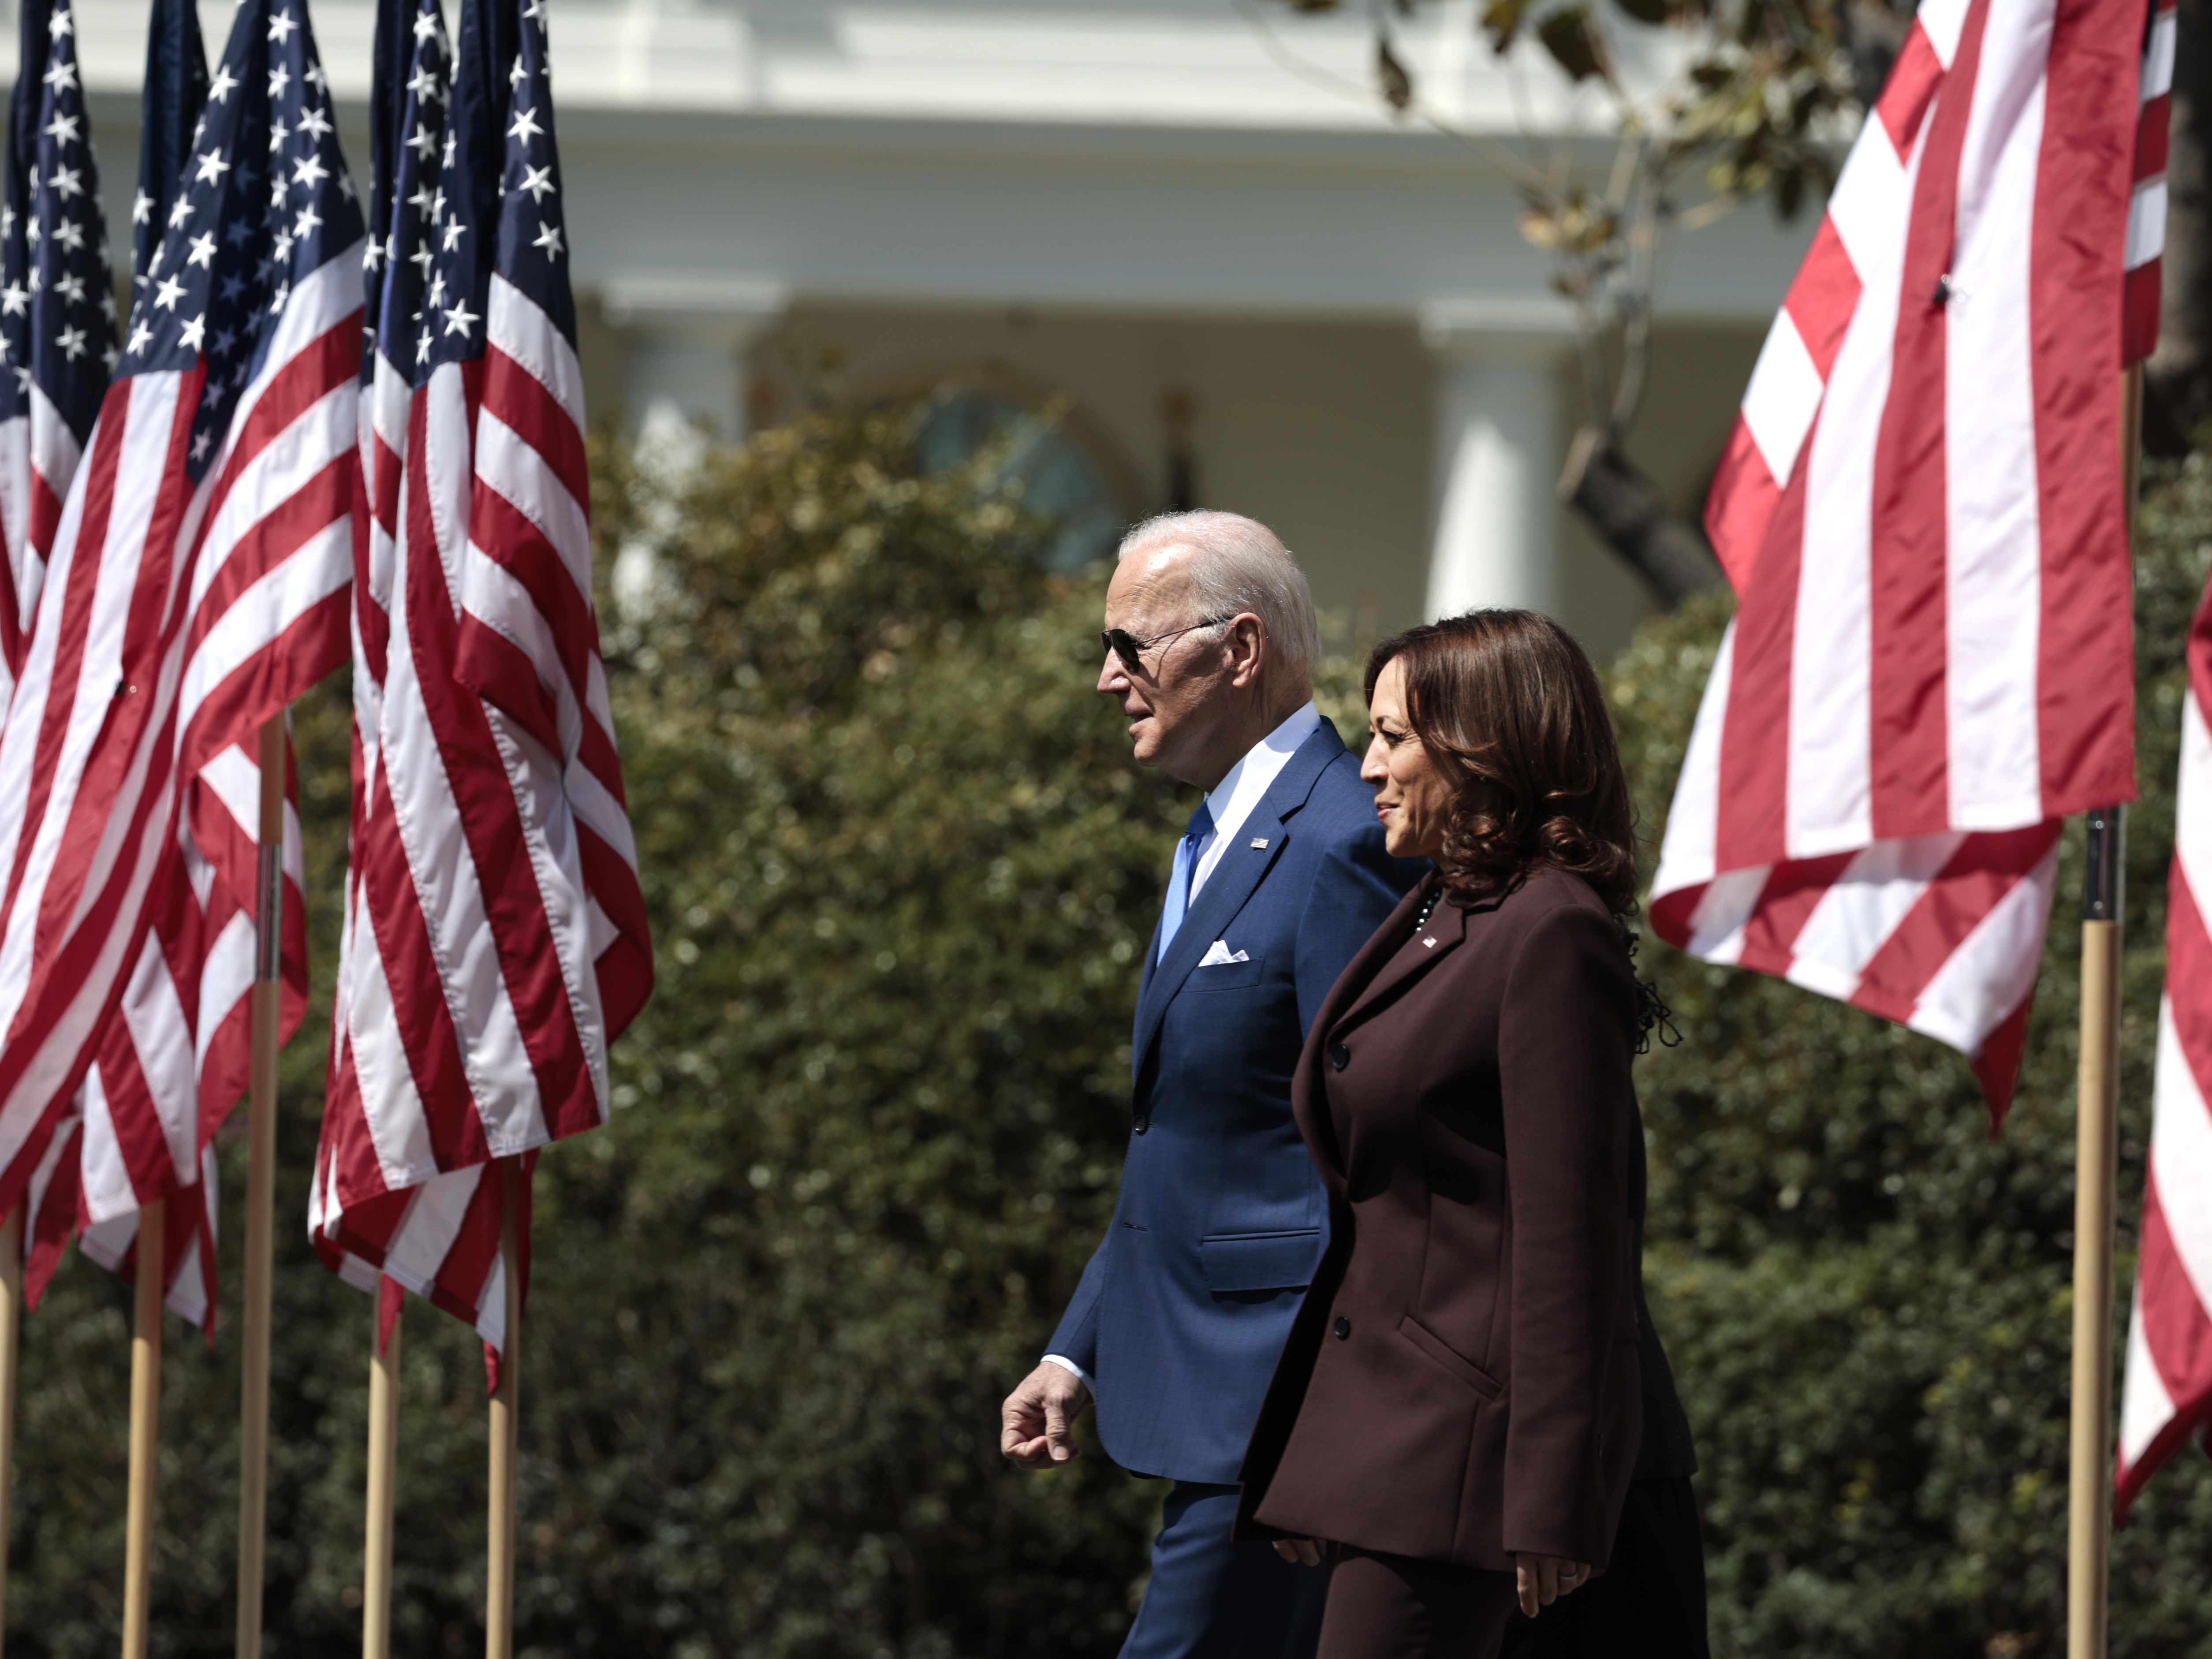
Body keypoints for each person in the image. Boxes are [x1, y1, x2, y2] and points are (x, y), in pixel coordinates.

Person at [999, 511, 1426, 1659]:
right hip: (1205, 1393)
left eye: (1129, 646)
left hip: (1282, 1407)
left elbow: (1375, 1152)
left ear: (1237, 651)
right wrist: (1076, 1345)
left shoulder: (1343, 839)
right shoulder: (1214, 836)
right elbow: (1192, 1131)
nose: (1108, 679)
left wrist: (1350, 1419)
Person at [1235, 609, 1668, 1659]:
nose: (1368, 765)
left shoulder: (1551, 929)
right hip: (1384, 1441)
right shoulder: (1444, 902)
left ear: (1483, 750)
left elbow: (1573, 1236)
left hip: (1464, 1457)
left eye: (1393, 738)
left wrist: (1550, 1491)